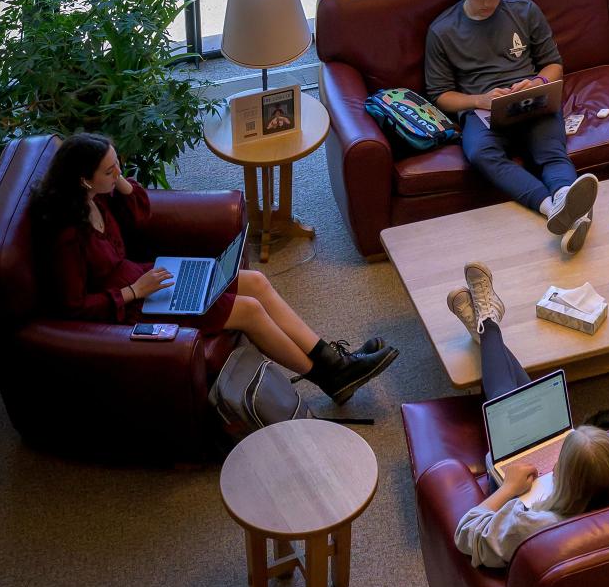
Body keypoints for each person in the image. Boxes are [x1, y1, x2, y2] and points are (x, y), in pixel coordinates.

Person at [30, 133, 397, 404]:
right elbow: (72, 307)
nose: (119, 174)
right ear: (83, 179)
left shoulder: (98, 196)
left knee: (253, 281)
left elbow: (141, 216)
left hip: (148, 280)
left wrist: (120, 181)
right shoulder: (65, 235)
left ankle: (334, 361)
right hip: (131, 308)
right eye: (110, 171)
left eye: (118, 165)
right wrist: (132, 292)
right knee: (250, 311)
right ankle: (328, 377)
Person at [445, 263, 609, 568]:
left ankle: (489, 326)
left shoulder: (532, 527)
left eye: (560, 463)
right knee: (511, 395)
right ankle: (488, 328)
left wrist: (508, 489)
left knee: (503, 400)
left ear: (559, 478)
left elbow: (467, 533)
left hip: (524, 512)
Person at [425, 0, 599, 254]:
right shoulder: (442, 31)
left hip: (530, 100)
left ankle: (564, 197)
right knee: (480, 153)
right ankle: (553, 208)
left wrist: (536, 83)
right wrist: (480, 99)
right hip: (482, 111)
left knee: (551, 151)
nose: (491, 4)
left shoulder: (524, 10)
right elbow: (440, 96)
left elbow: (553, 65)